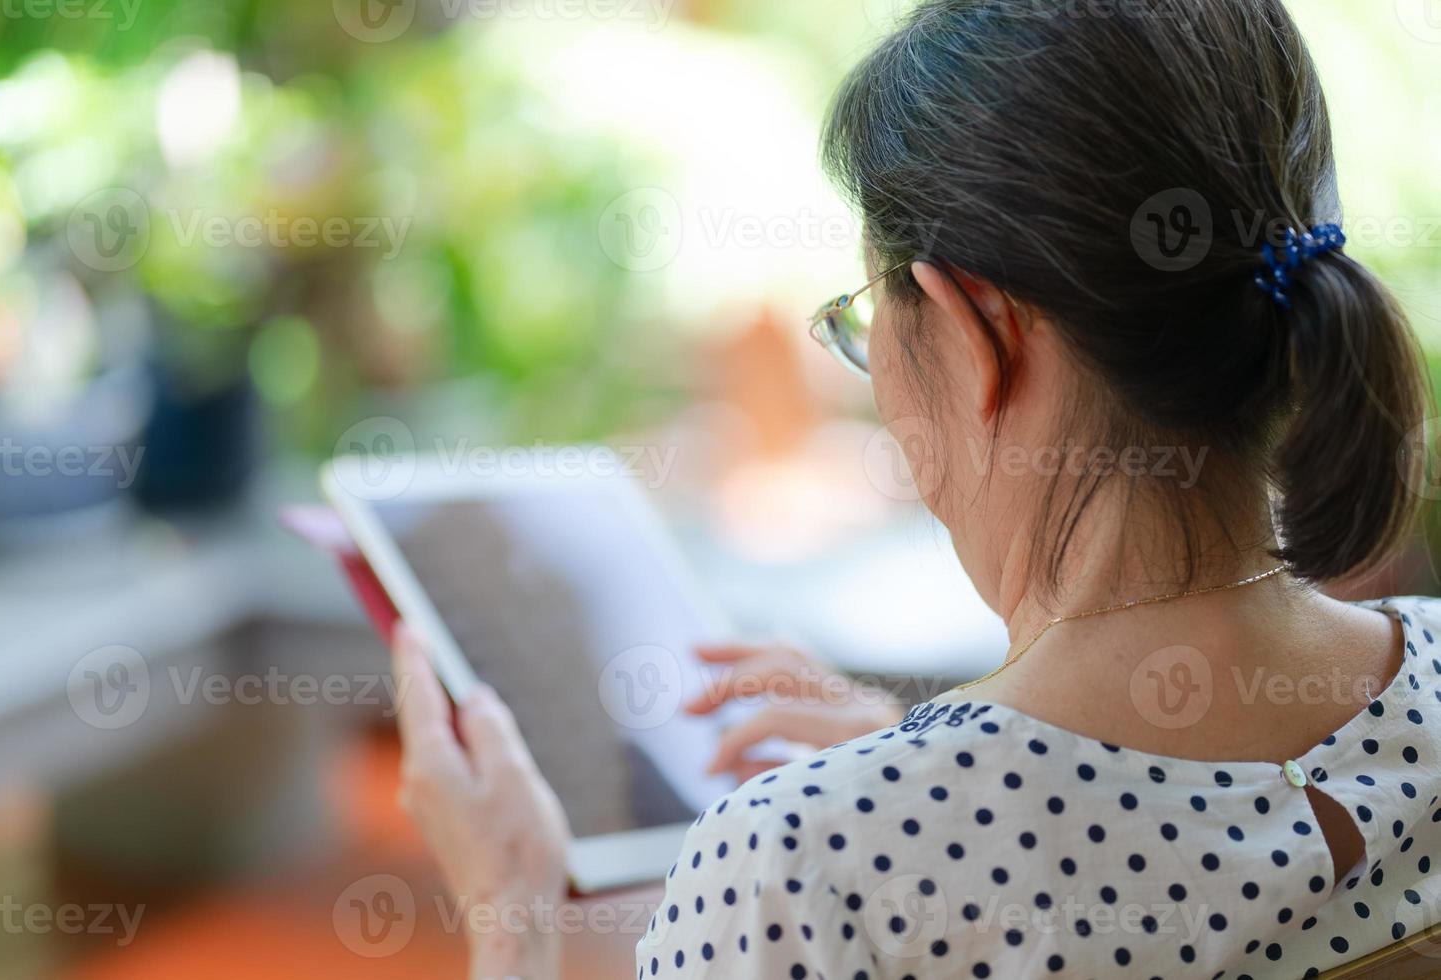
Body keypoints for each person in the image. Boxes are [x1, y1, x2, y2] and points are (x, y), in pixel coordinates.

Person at [389, 0, 1440, 975]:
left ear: (978, 329)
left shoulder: (802, 868)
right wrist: (906, 759)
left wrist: (513, 915)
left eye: (862, 321)